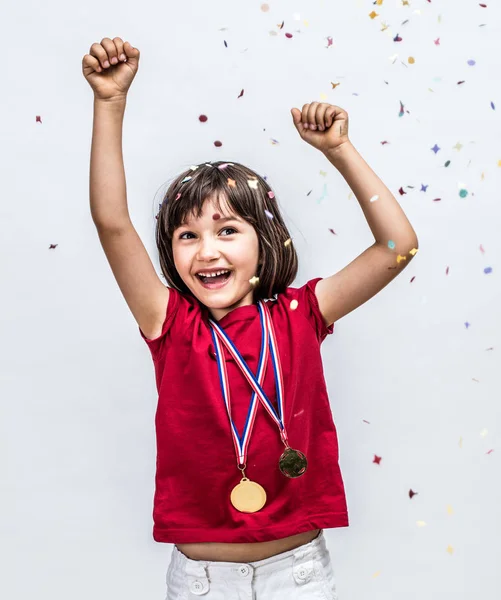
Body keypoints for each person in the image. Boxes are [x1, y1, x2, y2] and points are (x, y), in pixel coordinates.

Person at [82, 37, 419, 600]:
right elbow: (112, 221)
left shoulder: (301, 313)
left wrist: (340, 151)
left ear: (264, 244)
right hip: (202, 583)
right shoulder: (169, 322)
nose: (206, 251)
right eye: (187, 235)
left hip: (299, 575)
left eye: (227, 230)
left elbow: (396, 247)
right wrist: (109, 104)